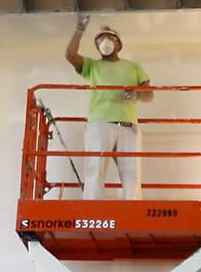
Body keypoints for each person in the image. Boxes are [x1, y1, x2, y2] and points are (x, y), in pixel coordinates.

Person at [64, 14, 152, 200]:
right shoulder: (92, 66)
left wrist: (136, 94)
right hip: (99, 124)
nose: (105, 42)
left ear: (119, 44)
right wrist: (80, 28)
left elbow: (148, 93)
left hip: (128, 125)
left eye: (109, 38)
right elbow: (70, 55)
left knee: (131, 172)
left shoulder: (132, 67)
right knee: (95, 168)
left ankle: (133, 209)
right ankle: (92, 209)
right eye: (100, 40)